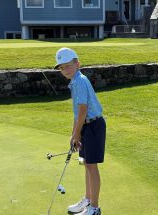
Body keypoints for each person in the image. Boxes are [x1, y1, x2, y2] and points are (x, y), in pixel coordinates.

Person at [54, 47, 106, 215]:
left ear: (77, 63)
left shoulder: (80, 81)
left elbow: (83, 110)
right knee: (86, 164)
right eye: (61, 67)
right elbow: (77, 113)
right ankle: (88, 200)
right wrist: (73, 133)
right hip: (85, 125)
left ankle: (94, 208)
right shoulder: (75, 82)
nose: (65, 70)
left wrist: (77, 134)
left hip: (93, 125)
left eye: (68, 65)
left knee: (91, 166)